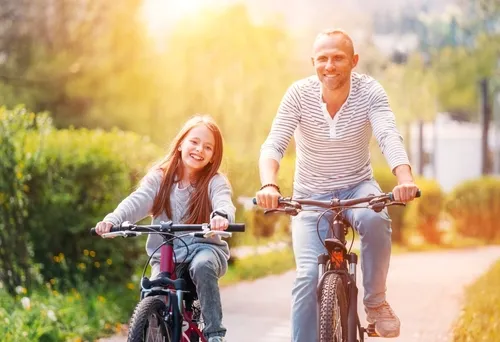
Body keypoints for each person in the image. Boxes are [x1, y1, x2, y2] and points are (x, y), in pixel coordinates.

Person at [255, 28, 419, 340]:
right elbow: (274, 143)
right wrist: (269, 186)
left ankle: (375, 302)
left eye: (338, 58)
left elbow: (387, 135)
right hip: (309, 196)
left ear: (354, 61)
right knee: (306, 278)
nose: (330, 65)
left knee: (375, 217)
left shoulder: (370, 92)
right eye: (323, 59)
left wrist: (405, 179)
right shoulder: (298, 95)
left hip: (358, 188)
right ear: (313, 62)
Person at [94, 115, 235, 342]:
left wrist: (221, 216)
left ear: (213, 157)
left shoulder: (214, 182)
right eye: (194, 142)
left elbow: (223, 201)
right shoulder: (160, 178)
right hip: (166, 254)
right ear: (181, 144)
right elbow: (138, 200)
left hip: (204, 249)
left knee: (202, 265)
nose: (200, 149)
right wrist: (113, 218)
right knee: (155, 292)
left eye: (208, 147)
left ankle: (215, 334)